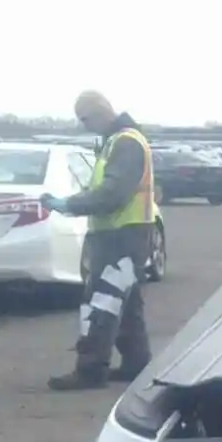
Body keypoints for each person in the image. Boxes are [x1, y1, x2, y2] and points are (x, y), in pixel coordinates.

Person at [42, 91, 155, 390]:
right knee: (126, 302)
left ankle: (91, 370)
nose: (83, 125)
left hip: (121, 235)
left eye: (84, 119)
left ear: (99, 112)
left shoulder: (125, 142)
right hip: (126, 233)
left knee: (101, 302)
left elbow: (113, 193)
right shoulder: (120, 141)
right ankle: (136, 363)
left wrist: (72, 205)